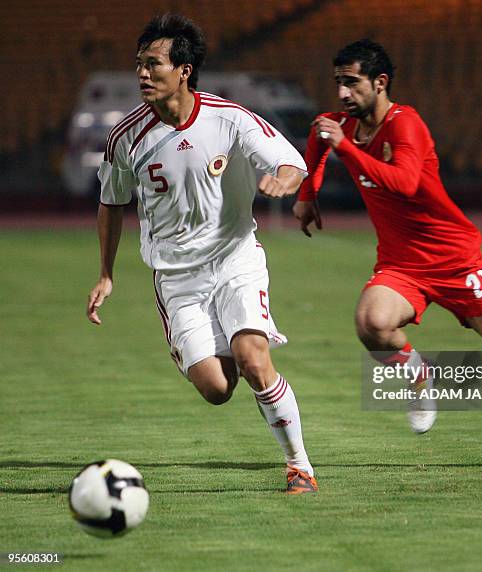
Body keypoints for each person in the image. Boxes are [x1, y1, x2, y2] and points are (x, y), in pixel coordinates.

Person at [293, 39, 482, 469]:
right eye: (338, 83)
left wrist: (345, 148)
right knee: (371, 323)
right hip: (401, 265)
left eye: (351, 83)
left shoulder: (405, 124)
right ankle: (420, 378)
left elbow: (406, 183)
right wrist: (308, 193)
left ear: (380, 82)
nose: (341, 94)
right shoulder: (340, 126)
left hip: (455, 260)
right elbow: (318, 137)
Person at [86, 14, 318, 493]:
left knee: (254, 357)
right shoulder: (125, 137)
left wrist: (285, 179)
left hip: (235, 259)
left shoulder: (228, 119)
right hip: (176, 278)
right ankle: (223, 350)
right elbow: (111, 204)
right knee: (216, 389)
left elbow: (290, 160)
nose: (142, 74)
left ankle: (299, 466)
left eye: (153, 64)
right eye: (139, 65)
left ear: (184, 70)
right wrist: (106, 273)